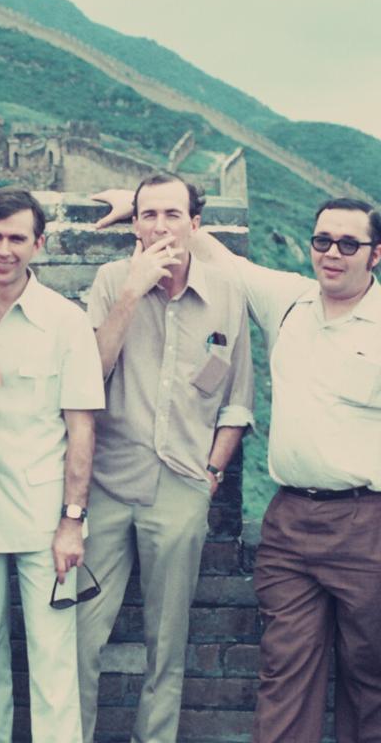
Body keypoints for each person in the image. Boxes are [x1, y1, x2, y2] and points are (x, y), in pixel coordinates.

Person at [181, 196, 381, 742]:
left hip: (367, 526)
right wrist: (142, 205)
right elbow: (219, 257)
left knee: (371, 677)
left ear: (376, 254)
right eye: (322, 241)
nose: (332, 254)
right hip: (290, 522)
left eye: (348, 244)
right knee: (284, 670)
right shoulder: (289, 303)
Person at [77, 173, 254, 742]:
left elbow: (237, 402)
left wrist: (210, 476)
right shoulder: (110, 281)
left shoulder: (226, 292)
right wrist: (131, 292)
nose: (160, 226)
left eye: (172, 215)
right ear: (135, 224)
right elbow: (89, 378)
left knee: (166, 645)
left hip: (183, 485)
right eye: (148, 215)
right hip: (106, 483)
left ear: (194, 225)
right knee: (80, 637)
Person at [0, 188, 104, 743]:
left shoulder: (65, 322)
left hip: (44, 517)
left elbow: (81, 430)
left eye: (17, 238)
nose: (4, 250)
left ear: (38, 244)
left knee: (52, 661)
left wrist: (73, 520)